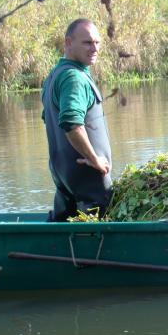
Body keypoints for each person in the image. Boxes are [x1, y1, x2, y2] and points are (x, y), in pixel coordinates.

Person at [41, 19, 112, 221]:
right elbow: (71, 124)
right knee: (96, 240)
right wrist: (94, 158)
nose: (94, 48)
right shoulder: (73, 78)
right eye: (87, 43)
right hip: (88, 181)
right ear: (68, 42)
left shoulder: (56, 75)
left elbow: (50, 119)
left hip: (65, 178)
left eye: (97, 43)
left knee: (62, 231)